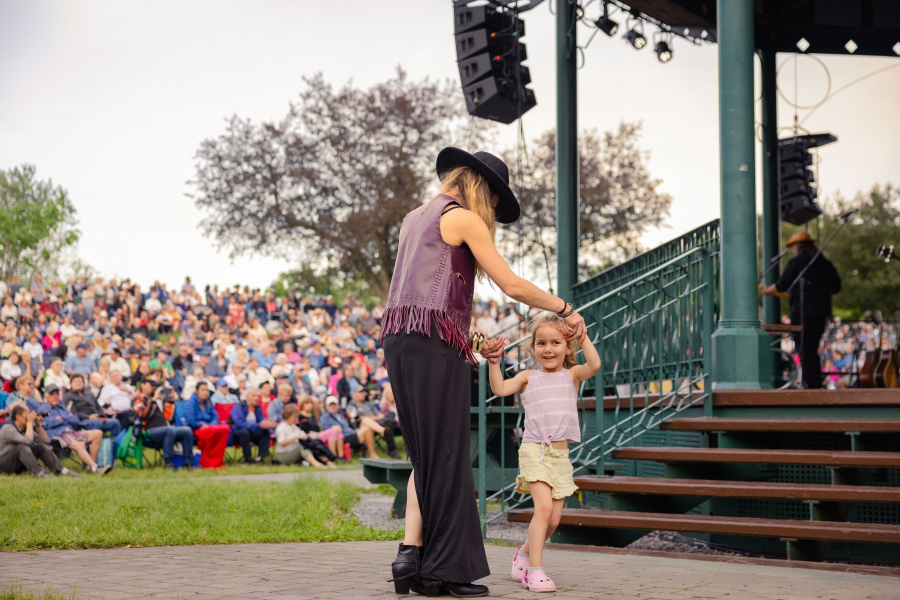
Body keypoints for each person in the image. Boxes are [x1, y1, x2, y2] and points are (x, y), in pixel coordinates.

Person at [380, 148, 585, 597]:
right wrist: (565, 308)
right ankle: (445, 571)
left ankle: (412, 557)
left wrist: (473, 342)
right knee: (449, 455)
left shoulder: (413, 218)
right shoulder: (462, 217)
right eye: (494, 200)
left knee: (427, 456)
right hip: (431, 348)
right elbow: (511, 284)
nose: (491, 209)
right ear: (481, 186)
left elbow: (422, 301)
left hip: (399, 341)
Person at [488, 314, 600, 592]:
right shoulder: (528, 377)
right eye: (541, 343)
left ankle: (524, 552)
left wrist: (583, 337)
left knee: (554, 520)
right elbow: (500, 389)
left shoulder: (571, 376)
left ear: (568, 346)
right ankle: (534, 571)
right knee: (544, 509)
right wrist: (493, 363)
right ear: (533, 348)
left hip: (560, 458)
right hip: (534, 451)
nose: (548, 349)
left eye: (555, 343)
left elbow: (595, 365)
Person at [761, 232, 842, 389]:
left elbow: (782, 284)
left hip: (801, 312)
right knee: (811, 348)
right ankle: (813, 383)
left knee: (804, 349)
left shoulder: (797, 263)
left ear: (798, 247)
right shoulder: (825, 264)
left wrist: (767, 291)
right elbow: (836, 287)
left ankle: (811, 384)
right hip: (820, 313)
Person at [29, 384, 110, 475]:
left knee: (97, 433)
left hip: (71, 431)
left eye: (57, 394)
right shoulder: (43, 410)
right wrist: (65, 418)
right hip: (58, 434)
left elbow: (75, 420)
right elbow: (48, 424)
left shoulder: (62, 406)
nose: (55, 396)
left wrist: (62, 418)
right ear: (45, 397)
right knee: (79, 444)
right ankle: (95, 468)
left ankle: (90, 466)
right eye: (52, 394)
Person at [132, 371, 194, 470]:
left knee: (186, 430)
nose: (154, 387)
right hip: (147, 431)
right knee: (170, 430)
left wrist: (171, 400)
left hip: (165, 430)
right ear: (143, 385)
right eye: (151, 385)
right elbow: (142, 416)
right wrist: (153, 401)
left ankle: (188, 463)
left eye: (155, 385)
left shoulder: (159, 399)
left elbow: (169, 418)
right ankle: (168, 463)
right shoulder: (138, 399)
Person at [0, 404, 79, 477]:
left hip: (18, 463)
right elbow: (27, 441)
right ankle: (38, 472)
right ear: (18, 416)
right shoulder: (8, 428)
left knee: (39, 447)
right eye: (27, 414)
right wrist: (30, 422)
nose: (30, 416)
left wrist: (38, 425)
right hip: (3, 465)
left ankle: (61, 470)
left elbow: (45, 442)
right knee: (21, 446)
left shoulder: (25, 429)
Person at [184, 381, 231, 469]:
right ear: (196, 391)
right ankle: (207, 462)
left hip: (209, 427)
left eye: (206, 390)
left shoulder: (208, 401)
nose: (205, 392)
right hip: (197, 429)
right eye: (203, 390)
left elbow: (215, 416)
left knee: (225, 428)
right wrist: (201, 425)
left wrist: (210, 425)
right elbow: (191, 420)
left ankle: (218, 461)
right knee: (213, 431)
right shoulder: (190, 403)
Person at [346, 386, 399, 459]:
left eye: (363, 392)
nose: (363, 394)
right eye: (360, 392)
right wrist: (372, 418)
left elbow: (381, 415)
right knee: (365, 420)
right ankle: (382, 431)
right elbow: (354, 417)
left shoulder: (368, 404)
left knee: (387, 420)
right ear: (354, 394)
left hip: (375, 424)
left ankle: (375, 454)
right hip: (360, 428)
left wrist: (372, 419)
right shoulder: (352, 404)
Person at [65, 374, 122, 440]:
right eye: (75, 381)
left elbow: (98, 407)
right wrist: (89, 417)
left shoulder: (89, 394)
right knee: (96, 423)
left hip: (97, 419)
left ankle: (114, 444)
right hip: (82, 421)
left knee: (115, 422)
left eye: (80, 381)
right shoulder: (68, 396)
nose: (78, 383)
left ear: (83, 383)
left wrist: (102, 416)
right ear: (71, 384)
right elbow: (71, 412)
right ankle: (97, 445)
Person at [230, 387, 276, 464]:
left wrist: (268, 423)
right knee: (245, 432)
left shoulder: (258, 408)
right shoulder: (239, 406)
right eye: (254, 396)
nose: (256, 398)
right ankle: (247, 458)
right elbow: (240, 424)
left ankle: (260, 457)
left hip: (253, 431)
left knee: (265, 431)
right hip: (238, 432)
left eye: (257, 396)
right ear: (247, 397)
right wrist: (258, 425)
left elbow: (261, 420)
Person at [273, 404, 328, 468]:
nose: (296, 419)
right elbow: (282, 443)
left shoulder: (293, 426)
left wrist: (309, 435)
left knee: (310, 444)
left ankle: (326, 461)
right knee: (302, 446)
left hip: (294, 452)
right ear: (289, 416)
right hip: (284, 455)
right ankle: (316, 464)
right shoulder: (281, 427)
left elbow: (302, 434)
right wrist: (295, 437)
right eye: (295, 417)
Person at [297, 395, 342, 463]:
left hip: (317, 434)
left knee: (337, 432)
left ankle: (341, 456)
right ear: (302, 404)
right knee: (332, 431)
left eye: (311, 403)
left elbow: (317, 429)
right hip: (309, 437)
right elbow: (300, 430)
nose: (310, 405)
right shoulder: (300, 416)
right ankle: (333, 456)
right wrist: (309, 433)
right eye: (307, 403)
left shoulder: (312, 416)